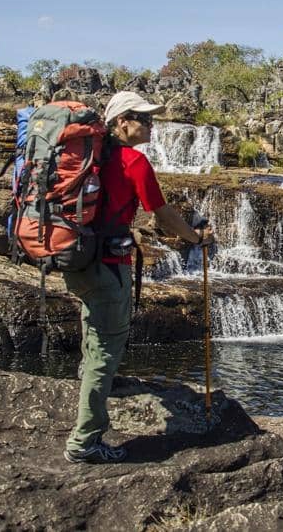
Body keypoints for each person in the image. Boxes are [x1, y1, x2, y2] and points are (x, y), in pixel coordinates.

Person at [63, 91, 214, 464]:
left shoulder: (91, 158)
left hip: (76, 257)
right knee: (106, 350)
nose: (151, 125)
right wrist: (195, 238)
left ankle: (97, 383)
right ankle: (84, 442)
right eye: (144, 119)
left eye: (151, 119)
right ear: (121, 122)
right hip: (109, 266)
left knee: (93, 323)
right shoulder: (134, 162)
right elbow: (161, 214)